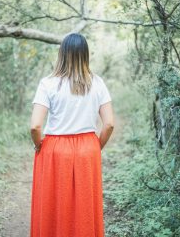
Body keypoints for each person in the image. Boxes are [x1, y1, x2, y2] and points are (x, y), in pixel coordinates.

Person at [29, 33, 114, 237]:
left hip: (55, 150)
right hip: (88, 148)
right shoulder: (98, 83)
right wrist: (95, 146)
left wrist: (39, 145)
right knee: (84, 206)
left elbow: (35, 126)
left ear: (62, 54)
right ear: (85, 55)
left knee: (53, 204)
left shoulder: (48, 84)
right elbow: (109, 123)